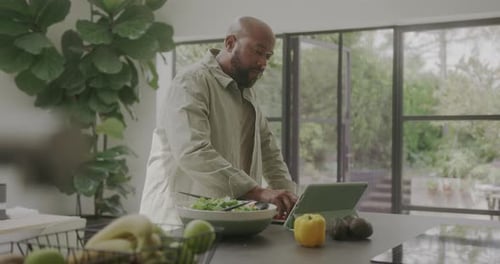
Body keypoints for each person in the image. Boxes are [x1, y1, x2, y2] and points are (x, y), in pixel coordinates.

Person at [139, 16, 297, 224]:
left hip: (225, 220)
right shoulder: (190, 82)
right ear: (230, 43)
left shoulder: (247, 93)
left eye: (268, 56)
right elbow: (193, 151)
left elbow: (269, 151)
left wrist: (289, 199)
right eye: (258, 52)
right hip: (175, 222)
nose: (263, 63)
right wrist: (256, 192)